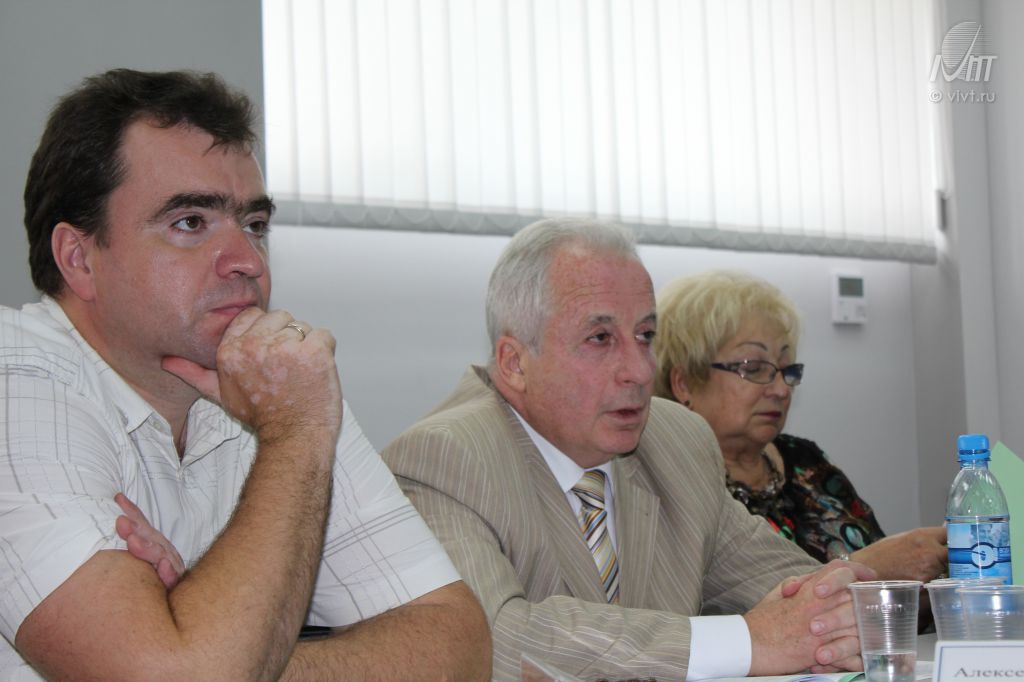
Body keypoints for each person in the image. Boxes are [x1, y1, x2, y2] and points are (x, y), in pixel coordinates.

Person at [0, 68, 490, 680]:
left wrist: (224, 645)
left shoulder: (276, 384)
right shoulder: (14, 379)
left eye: (254, 225)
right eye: (190, 223)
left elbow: (459, 646)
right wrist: (293, 437)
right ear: (79, 259)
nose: (246, 261)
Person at [382, 217, 874, 681]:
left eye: (645, 336)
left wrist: (839, 611)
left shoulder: (676, 440)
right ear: (514, 363)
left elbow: (791, 587)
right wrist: (747, 642)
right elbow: (491, 639)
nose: (640, 370)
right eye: (600, 338)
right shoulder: (442, 459)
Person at [652, 269, 946, 584]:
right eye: (754, 367)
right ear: (684, 383)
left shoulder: (805, 460)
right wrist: (862, 569)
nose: (781, 389)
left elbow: (891, 566)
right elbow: (719, 604)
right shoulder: (671, 481)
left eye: (786, 369)